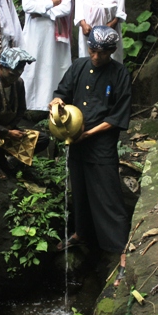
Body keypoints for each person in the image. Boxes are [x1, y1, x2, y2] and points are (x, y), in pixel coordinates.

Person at [50, 26, 132, 287]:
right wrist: (56, 103)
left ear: (111, 51)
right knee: (80, 190)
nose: (95, 56)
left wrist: (90, 133)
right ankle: (81, 233)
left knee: (108, 193)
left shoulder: (120, 74)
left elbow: (117, 117)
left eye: (101, 52)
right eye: (92, 50)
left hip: (101, 142)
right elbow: (62, 91)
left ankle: (121, 249)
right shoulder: (79, 66)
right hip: (76, 140)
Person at [0, 48, 50, 180]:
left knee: (43, 139)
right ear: (1, 67)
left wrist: (11, 128)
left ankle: (9, 158)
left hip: (9, 131)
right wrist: (6, 132)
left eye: (18, 74)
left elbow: (21, 109)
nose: (15, 78)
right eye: (12, 74)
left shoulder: (18, 83)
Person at [21, 0, 73, 112]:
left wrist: (41, 11)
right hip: (34, 39)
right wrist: (51, 3)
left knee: (53, 69)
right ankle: (29, 106)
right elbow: (28, 7)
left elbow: (65, 10)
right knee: (33, 69)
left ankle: (53, 105)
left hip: (55, 42)